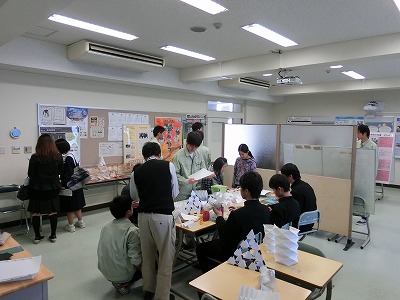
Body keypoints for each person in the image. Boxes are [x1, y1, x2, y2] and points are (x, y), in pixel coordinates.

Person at [130, 142, 179, 300]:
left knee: (148, 255)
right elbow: (175, 192)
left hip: (143, 217)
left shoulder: (136, 172)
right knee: (165, 258)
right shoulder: (168, 166)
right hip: (162, 217)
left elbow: (134, 197)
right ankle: (162, 296)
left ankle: (149, 290)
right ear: (159, 153)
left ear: (144, 156)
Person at [196, 171, 270, 273]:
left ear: (246, 191)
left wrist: (219, 217)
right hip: (254, 250)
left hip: (233, 251)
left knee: (201, 248)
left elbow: (223, 235)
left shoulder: (237, 215)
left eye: (241, 188)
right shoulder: (265, 209)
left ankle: (210, 277)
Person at [97, 195, 142, 295]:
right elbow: (136, 259)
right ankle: (124, 283)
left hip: (104, 269)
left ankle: (120, 279)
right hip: (121, 274)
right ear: (129, 212)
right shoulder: (132, 231)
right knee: (150, 263)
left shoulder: (106, 226)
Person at [27, 134, 64, 244]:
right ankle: (53, 235)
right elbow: (61, 172)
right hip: (53, 188)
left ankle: (37, 237)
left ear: (39, 144)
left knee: (36, 212)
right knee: (53, 211)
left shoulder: (35, 157)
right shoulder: (57, 156)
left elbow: (30, 174)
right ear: (52, 144)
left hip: (37, 188)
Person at [55, 139, 86, 232]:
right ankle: (81, 222)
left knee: (71, 207)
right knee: (77, 206)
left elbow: (68, 174)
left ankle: (71, 226)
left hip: (70, 185)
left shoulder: (67, 158)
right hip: (77, 184)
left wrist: (62, 183)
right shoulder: (73, 154)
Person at [280, 163, 317, 232]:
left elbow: (293, 211)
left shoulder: (296, 191)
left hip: (301, 224)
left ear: (290, 176)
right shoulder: (306, 185)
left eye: (283, 176)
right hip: (310, 221)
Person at [172, 131, 205, 201]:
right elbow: (174, 175)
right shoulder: (178, 156)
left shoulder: (199, 154)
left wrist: (207, 174)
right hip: (181, 193)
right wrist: (186, 181)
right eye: (191, 146)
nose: (193, 149)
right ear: (186, 142)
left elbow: (202, 169)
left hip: (195, 191)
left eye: (196, 147)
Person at [356, 124, 378, 225]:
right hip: (358, 174)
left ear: (364, 133)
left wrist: (371, 178)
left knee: (366, 196)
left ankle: (365, 217)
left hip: (367, 176)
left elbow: (375, 163)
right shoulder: (357, 144)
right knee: (358, 195)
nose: (357, 134)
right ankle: (359, 213)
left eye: (358, 132)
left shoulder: (372, 146)